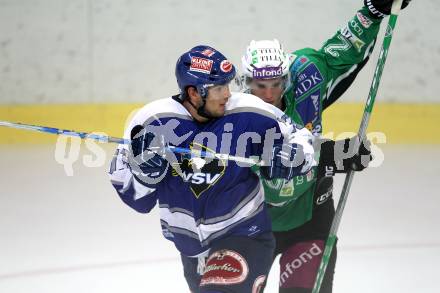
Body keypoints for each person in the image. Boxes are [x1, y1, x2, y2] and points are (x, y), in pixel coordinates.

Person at [108, 45, 316, 293]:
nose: (227, 94)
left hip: (244, 233)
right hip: (191, 250)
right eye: (218, 88)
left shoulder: (248, 111)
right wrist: (144, 175)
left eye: (227, 85)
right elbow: (135, 199)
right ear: (194, 93)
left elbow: (301, 138)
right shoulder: (151, 121)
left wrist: (292, 158)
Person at [239, 0, 411, 292]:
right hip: (253, 226)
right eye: (259, 85)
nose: (269, 94)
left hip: (310, 216)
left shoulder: (308, 76)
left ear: (288, 77)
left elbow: (340, 51)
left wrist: (372, 11)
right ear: (245, 82)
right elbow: (273, 167)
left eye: (276, 84)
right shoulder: (235, 116)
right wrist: (332, 156)